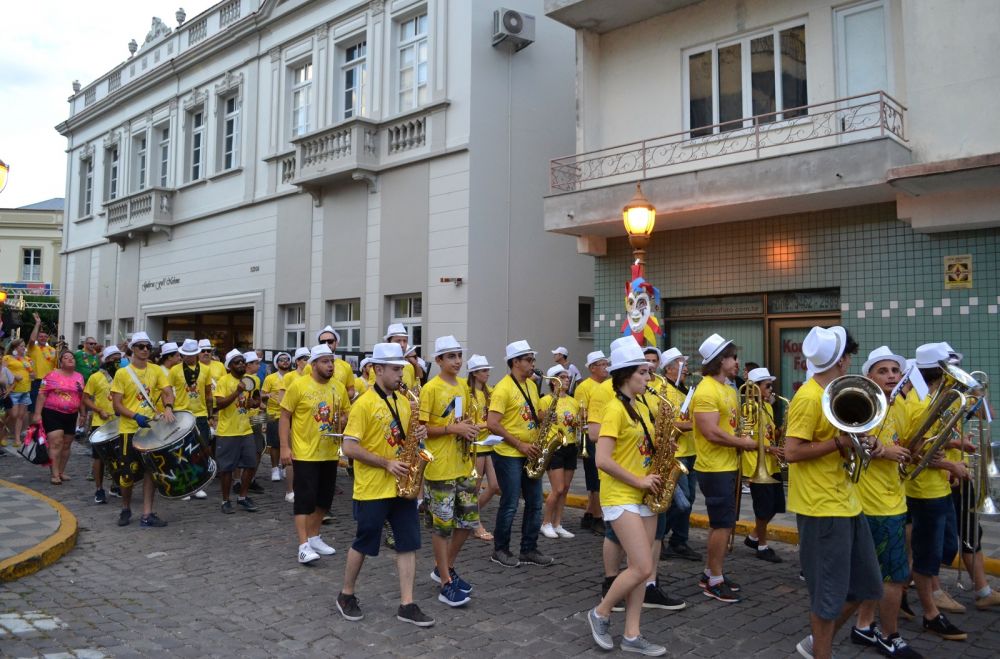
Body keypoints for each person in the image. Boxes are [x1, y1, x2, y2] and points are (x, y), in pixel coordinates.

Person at [785, 325, 882, 659]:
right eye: (849, 356)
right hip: (821, 506)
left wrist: (860, 441)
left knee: (866, 586)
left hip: (847, 501)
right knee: (827, 599)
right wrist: (839, 442)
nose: (850, 361)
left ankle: (815, 644)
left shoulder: (835, 393)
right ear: (842, 360)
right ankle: (821, 649)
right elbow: (792, 452)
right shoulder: (808, 398)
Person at [336, 342, 434, 627]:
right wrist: (386, 462)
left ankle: (407, 603)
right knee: (364, 542)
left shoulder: (405, 401)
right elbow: (349, 447)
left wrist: (420, 433)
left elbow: (407, 439)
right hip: (373, 487)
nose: (401, 374)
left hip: (402, 486)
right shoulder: (363, 404)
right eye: (395, 369)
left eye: (401, 369)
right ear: (377, 369)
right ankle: (346, 594)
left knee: (408, 544)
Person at [586, 340, 666, 657]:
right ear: (626, 375)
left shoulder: (643, 406)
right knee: (644, 567)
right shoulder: (614, 409)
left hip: (645, 494)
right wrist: (639, 479)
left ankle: (632, 634)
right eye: (643, 372)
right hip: (621, 494)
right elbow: (602, 460)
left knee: (638, 567)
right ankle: (601, 612)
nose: (649, 378)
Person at [849, 346, 922, 658]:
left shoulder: (902, 406)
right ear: (869, 377)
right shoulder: (863, 403)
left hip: (895, 496)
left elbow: (907, 446)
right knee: (895, 577)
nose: (892, 375)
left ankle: (864, 625)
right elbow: (855, 438)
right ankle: (890, 635)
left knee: (878, 572)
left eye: (895, 371)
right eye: (883, 370)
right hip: (873, 501)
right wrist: (882, 450)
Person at [903, 342, 968, 641]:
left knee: (936, 551)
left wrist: (951, 458)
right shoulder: (919, 403)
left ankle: (901, 593)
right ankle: (931, 613)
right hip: (923, 490)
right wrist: (952, 468)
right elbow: (917, 449)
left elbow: (934, 443)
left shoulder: (931, 399)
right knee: (927, 555)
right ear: (940, 371)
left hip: (936, 486)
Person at [691, 333, 756, 603]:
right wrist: (743, 442)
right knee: (722, 524)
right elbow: (711, 433)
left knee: (727, 522)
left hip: (728, 463)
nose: (737, 362)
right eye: (732, 357)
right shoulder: (706, 389)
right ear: (720, 360)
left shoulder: (729, 389)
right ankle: (714, 579)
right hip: (714, 466)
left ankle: (711, 572)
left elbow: (728, 426)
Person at [419, 336, 481, 607]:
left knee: (467, 522)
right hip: (439, 467)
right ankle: (445, 581)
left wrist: (469, 428)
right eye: (451, 356)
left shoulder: (463, 387)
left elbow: (458, 419)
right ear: (439, 360)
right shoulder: (430, 389)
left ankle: (445, 567)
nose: (457, 361)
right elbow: (421, 430)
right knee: (442, 527)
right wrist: (451, 429)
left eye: (459, 355)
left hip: (462, 464)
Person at [279, 344, 350, 563]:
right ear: (314, 364)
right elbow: (284, 417)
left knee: (324, 499)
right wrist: (284, 447)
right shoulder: (299, 386)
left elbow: (346, 414)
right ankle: (303, 545)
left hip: (329, 452)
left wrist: (345, 420)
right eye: (325, 362)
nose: (330, 366)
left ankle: (315, 536)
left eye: (332, 361)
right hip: (305, 453)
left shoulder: (338, 387)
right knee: (304, 500)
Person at [486, 340, 553, 568]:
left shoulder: (532, 386)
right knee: (511, 503)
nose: (533, 364)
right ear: (515, 362)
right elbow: (492, 423)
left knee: (535, 503)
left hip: (530, 451)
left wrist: (547, 415)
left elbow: (531, 413)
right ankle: (500, 549)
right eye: (529, 360)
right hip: (508, 453)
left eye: (532, 360)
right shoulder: (502, 388)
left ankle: (529, 549)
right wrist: (519, 444)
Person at [110, 331, 175, 527]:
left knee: (150, 472)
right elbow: (117, 405)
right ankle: (126, 507)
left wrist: (169, 407)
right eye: (141, 347)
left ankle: (147, 514)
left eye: (148, 347)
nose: (145, 350)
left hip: (151, 429)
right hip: (129, 429)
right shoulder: (122, 373)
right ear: (133, 349)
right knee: (127, 474)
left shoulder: (156, 370)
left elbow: (167, 392)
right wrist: (135, 416)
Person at [658, 347, 701, 562]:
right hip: (675, 453)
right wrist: (694, 424)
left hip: (691, 450)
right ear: (670, 368)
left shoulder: (686, 389)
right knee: (680, 502)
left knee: (690, 499)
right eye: (682, 365)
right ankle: (660, 537)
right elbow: (665, 422)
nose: (686, 369)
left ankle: (679, 540)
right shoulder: (661, 389)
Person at [739, 367, 785, 563]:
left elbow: (768, 434)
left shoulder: (766, 406)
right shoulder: (749, 408)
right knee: (764, 507)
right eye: (767, 386)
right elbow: (746, 439)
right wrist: (770, 449)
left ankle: (753, 537)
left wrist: (782, 431)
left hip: (770, 463)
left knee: (776, 505)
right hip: (757, 464)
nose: (771, 389)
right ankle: (762, 546)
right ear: (755, 388)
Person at [214, 349, 261, 514]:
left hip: (245, 430)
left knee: (250, 464)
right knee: (226, 468)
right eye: (237, 362)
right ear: (230, 366)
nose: (241, 364)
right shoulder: (224, 381)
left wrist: (254, 403)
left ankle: (242, 497)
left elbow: (255, 400)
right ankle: (225, 500)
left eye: (243, 361)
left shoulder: (252, 380)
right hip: (227, 432)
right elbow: (219, 404)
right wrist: (237, 392)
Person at [32, 350, 85, 485]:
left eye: (72, 357)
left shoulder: (79, 377)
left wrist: (83, 414)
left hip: (72, 414)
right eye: (66, 358)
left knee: (67, 444)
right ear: (60, 362)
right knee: (56, 442)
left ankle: (61, 471)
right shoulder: (51, 375)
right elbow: (42, 394)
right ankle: (54, 474)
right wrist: (37, 414)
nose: (70, 359)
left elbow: (81, 397)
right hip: (52, 412)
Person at [168, 339, 212, 501]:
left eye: (193, 354)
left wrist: (211, 414)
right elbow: (168, 392)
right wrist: (169, 409)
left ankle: (197, 485)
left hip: (200, 414)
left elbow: (208, 393)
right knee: (182, 451)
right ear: (182, 354)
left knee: (200, 450)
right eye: (186, 354)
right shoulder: (174, 370)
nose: (190, 357)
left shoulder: (206, 370)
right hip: (181, 414)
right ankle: (184, 484)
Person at [539, 365, 579, 540]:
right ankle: (546, 523)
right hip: (554, 446)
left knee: (565, 489)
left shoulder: (573, 401)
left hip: (570, 445)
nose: (566, 380)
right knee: (558, 488)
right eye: (562, 377)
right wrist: (548, 416)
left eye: (567, 377)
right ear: (554, 380)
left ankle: (558, 523)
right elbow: (540, 418)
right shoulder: (546, 399)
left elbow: (576, 421)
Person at [575, 350, 609, 534]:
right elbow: (582, 414)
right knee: (594, 478)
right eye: (602, 364)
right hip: (591, 435)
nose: (606, 368)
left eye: (606, 364)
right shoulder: (584, 387)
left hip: (605, 433)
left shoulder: (608, 385)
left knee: (600, 477)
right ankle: (597, 517)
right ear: (592, 368)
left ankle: (590, 513)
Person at [83, 346, 121, 504]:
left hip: (120, 423)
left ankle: (115, 485)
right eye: (113, 358)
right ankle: (99, 489)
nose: (116, 361)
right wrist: (98, 410)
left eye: (119, 358)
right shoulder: (95, 377)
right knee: (99, 458)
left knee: (119, 457)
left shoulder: (123, 376)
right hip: (101, 424)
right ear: (106, 360)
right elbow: (85, 398)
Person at [465, 354, 497, 541]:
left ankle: (469, 515)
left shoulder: (489, 391)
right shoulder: (467, 393)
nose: (488, 374)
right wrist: (489, 425)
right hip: (475, 445)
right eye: (484, 371)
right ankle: (475, 523)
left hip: (489, 443)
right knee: (474, 488)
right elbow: (470, 422)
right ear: (475, 373)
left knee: (494, 486)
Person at [262, 352, 292, 483]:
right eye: (281, 360)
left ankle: (286, 467)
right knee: (275, 444)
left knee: (289, 442)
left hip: (290, 414)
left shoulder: (293, 377)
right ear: (277, 363)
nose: (285, 361)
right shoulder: (270, 378)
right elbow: (262, 394)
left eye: (287, 359)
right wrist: (267, 396)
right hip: (273, 414)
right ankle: (275, 468)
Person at [3, 338, 33, 447]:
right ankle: (4, 434)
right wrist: (14, 376)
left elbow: (32, 373)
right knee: (13, 415)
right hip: (13, 391)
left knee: (20, 416)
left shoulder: (28, 359)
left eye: (24, 346)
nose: (24, 348)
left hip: (25, 390)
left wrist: (32, 375)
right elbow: (2, 372)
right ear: (14, 348)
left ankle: (16, 438)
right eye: (21, 346)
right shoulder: (7, 358)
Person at [27, 313, 57, 414]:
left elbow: (57, 366)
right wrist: (37, 323)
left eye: (45, 336)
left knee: (48, 406)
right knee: (34, 407)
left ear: (48, 338)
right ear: (37, 338)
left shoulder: (52, 350)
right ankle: (31, 428)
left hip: (49, 382)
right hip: (36, 381)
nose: (43, 338)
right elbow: (32, 339)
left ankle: (43, 428)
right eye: (40, 336)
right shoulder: (33, 348)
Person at [74, 336, 101, 432]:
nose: (93, 345)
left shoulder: (96, 356)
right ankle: (78, 426)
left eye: (94, 344)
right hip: (78, 384)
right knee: (79, 406)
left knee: (88, 407)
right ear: (85, 344)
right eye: (91, 343)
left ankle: (84, 428)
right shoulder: (78, 354)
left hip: (92, 385)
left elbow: (98, 368)